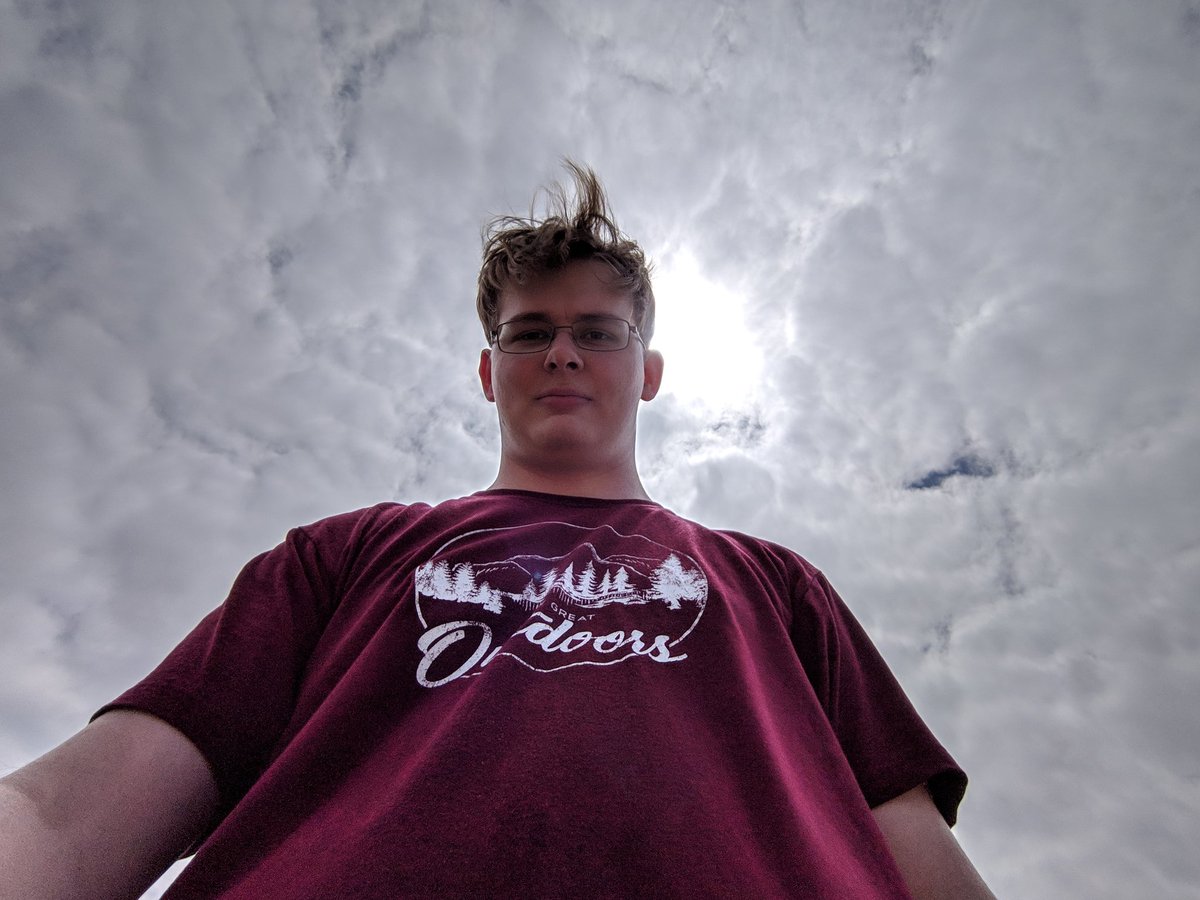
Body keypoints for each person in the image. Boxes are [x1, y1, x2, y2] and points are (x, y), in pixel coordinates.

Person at [0, 163, 995, 899]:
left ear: (647, 371)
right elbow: (73, 813)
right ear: (489, 372)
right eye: (530, 333)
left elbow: (909, 842)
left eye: (598, 332)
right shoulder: (338, 556)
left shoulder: (778, 584)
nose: (562, 353)